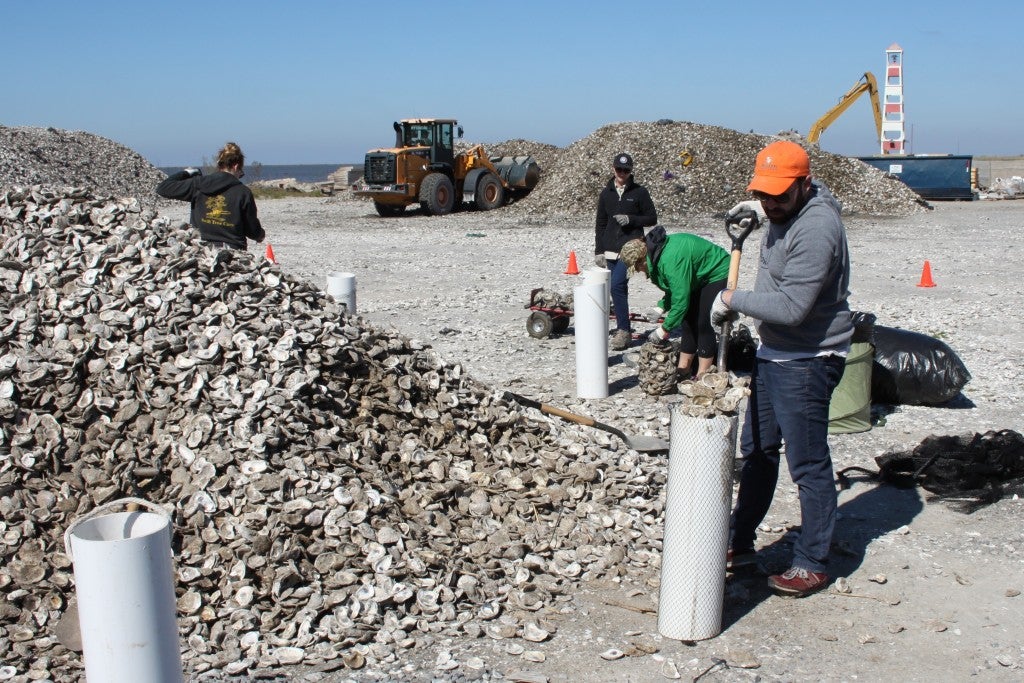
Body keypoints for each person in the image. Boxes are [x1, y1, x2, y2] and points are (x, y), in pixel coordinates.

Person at [711, 140, 853, 598]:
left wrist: (731, 299)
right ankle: (740, 541)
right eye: (764, 194)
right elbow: (776, 199)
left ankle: (812, 560)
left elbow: (792, 307)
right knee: (757, 452)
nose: (771, 204)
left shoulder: (817, 228)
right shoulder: (784, 205)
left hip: (809, 359)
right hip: (775, 354)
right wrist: (762, 201)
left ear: (804, 185)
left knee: (808, 463)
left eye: (780, 195)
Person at [618, 227, 730, 379]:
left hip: (716, 271)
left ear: (642, 259)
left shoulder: (670, 260)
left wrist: (664, 329)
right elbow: (676, 287)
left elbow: (681, 300)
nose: (638, 271)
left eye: (637, 267)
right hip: (696, 276)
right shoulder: (656, 256)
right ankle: (684, 369)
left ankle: (704, 375)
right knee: (687, 321)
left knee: (703, 322)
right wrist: (662, 306)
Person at [594, 152, 658, 351]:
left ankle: (624, 331)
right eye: (619, 169)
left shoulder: (640, 192)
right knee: (617, 289)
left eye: (626, 170)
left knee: (617, 286)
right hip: (610, 249)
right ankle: (616, 325)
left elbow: (651, 218)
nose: (622, 173)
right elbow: (601, 223)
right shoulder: (606, 194)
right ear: (613, 169)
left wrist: (631, 219)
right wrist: (599, 250)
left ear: (631, 171)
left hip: (631, 248)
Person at [156, 141, 265, 250]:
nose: (240, 176)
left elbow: (163, 188)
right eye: (241, 173)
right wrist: (260, 235)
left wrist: (187, 173)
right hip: (233, 250)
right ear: (236, 167)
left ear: (220, 165)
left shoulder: (198, 184)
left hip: (201, 248)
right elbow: (251, 229)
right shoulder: (243, 192)